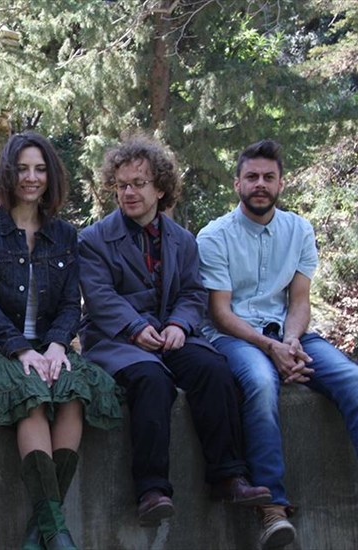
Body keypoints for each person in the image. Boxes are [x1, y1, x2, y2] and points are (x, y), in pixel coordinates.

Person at [77, 136, 271, 527]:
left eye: (139, 183)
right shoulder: (93, 240)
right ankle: (152, 490)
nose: (128, 193)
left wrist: (181, 325)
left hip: (171, 333)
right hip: (116, 339)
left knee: (213, 369)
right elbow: (99, 296)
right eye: (122, 185)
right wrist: (135, 327)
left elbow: (193, 292)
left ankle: (228, 476)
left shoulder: (182, 239)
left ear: (160, 188)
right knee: (152, 380)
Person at [196, 139, 358, 548]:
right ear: (237, 183)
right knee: (261, 383)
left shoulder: (299, 229)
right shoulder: (214, 236)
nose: (260, 184)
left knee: (352, 381)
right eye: (251, 177)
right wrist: (272, 349)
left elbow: (299, 301)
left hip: (288, 332)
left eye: (269, 177)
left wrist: (289, 341)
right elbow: (220, 313)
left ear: (281, 183)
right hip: (234, 336)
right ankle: (272, 509)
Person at [0, 132, 122, 549]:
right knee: (31, 394)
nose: (31, 178)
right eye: (22, 169)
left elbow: (71, 302)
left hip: (49, 345)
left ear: (50, 176)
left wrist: (55, 345)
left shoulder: (65, 234)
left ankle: (43, 530)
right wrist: (22, 349)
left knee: (74, 392)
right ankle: (57, 531)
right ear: (8, 173)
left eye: (39, 169)